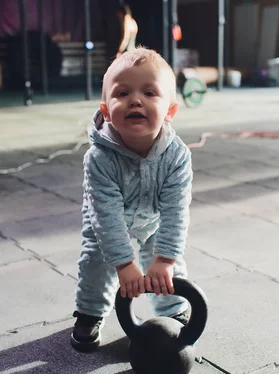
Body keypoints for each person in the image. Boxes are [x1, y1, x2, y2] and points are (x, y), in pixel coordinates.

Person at [71, 47, 193, 352]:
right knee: (96, 262)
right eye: (122, 93)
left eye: (150, 92)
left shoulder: (177, 156)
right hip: (107, 219)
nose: (135, 100)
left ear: (169, 111)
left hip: (154, 216)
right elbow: (107, 215)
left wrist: (164, 260)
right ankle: (90, 311)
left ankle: (172, 308)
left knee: (167, 264)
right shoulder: (99, 158)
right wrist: (124, 264)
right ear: (107, 110)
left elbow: (176, 212)